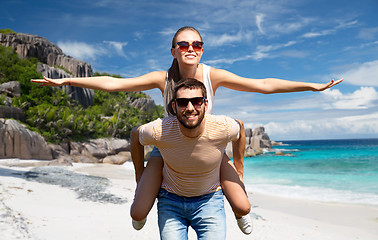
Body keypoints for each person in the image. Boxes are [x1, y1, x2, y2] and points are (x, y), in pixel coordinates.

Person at [31, 26, 342, 234]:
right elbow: (116, 84)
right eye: (183, 44)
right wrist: (68, 80)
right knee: (138, 212)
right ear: (173, 51)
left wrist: (311, 87)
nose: (190, 48)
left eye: (196, 44)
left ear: (202, 50)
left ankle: (237, 208)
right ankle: (148, 195)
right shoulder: (160, 78)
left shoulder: (213, 75)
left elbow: (262, 85)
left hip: (207, 148)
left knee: (242, 204)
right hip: (169, 150)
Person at [135, 78, 241, 239]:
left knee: (243, 207)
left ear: (206, 104)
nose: (190, 108)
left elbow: (240, 127)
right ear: (174, 106)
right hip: (170, 200)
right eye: (183, 103)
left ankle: (241, 214)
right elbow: (135, 135)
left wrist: (239, 168)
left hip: (209, 199)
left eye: (196, 101)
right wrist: (139, 174)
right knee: (136, 212)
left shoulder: (223, 126)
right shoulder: (159, 130)